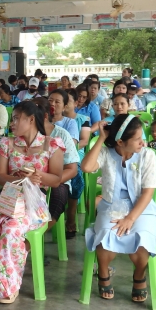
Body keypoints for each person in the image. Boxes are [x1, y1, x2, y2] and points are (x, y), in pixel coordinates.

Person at [0, 101, 64, 303]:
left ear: (31, 119)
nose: (12, 123)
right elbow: (0, 176)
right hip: (8, 198)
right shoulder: (7, 143)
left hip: (33, 204)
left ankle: (7, 286)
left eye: (17, 118)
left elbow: (56, 180)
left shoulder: (52, 144)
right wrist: (17, 176)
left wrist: (37, 176)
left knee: (11, 230)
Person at [83, 116, 156, 302]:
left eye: (142, 137)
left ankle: (139, 275)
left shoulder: (148, 155)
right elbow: (86, 167)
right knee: (104, 238)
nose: (142, 142)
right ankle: (103, 272)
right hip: (111, 207)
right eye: (137, 139)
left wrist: (130, 219)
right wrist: (101, 138)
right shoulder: (106, 153)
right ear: (120, 142)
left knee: (142, 240)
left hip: (141, 208)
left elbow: (148, 192)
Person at [34, 96, 78, 232]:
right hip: (31, 179)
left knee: (58, 197)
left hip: (59, 180)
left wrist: (50, 181)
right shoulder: (26, 134)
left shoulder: (62, 135)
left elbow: (72, 169)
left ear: (45, 116)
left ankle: (38, 234)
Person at [65, 89, 91, 237]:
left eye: (68, 101)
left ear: (75, 103)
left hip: (76, 155)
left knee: (76, 176)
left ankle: (71, 218)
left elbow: (84, 141)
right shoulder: (54, 120)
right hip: (55, 156)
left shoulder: (83, 119)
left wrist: (66, 151)